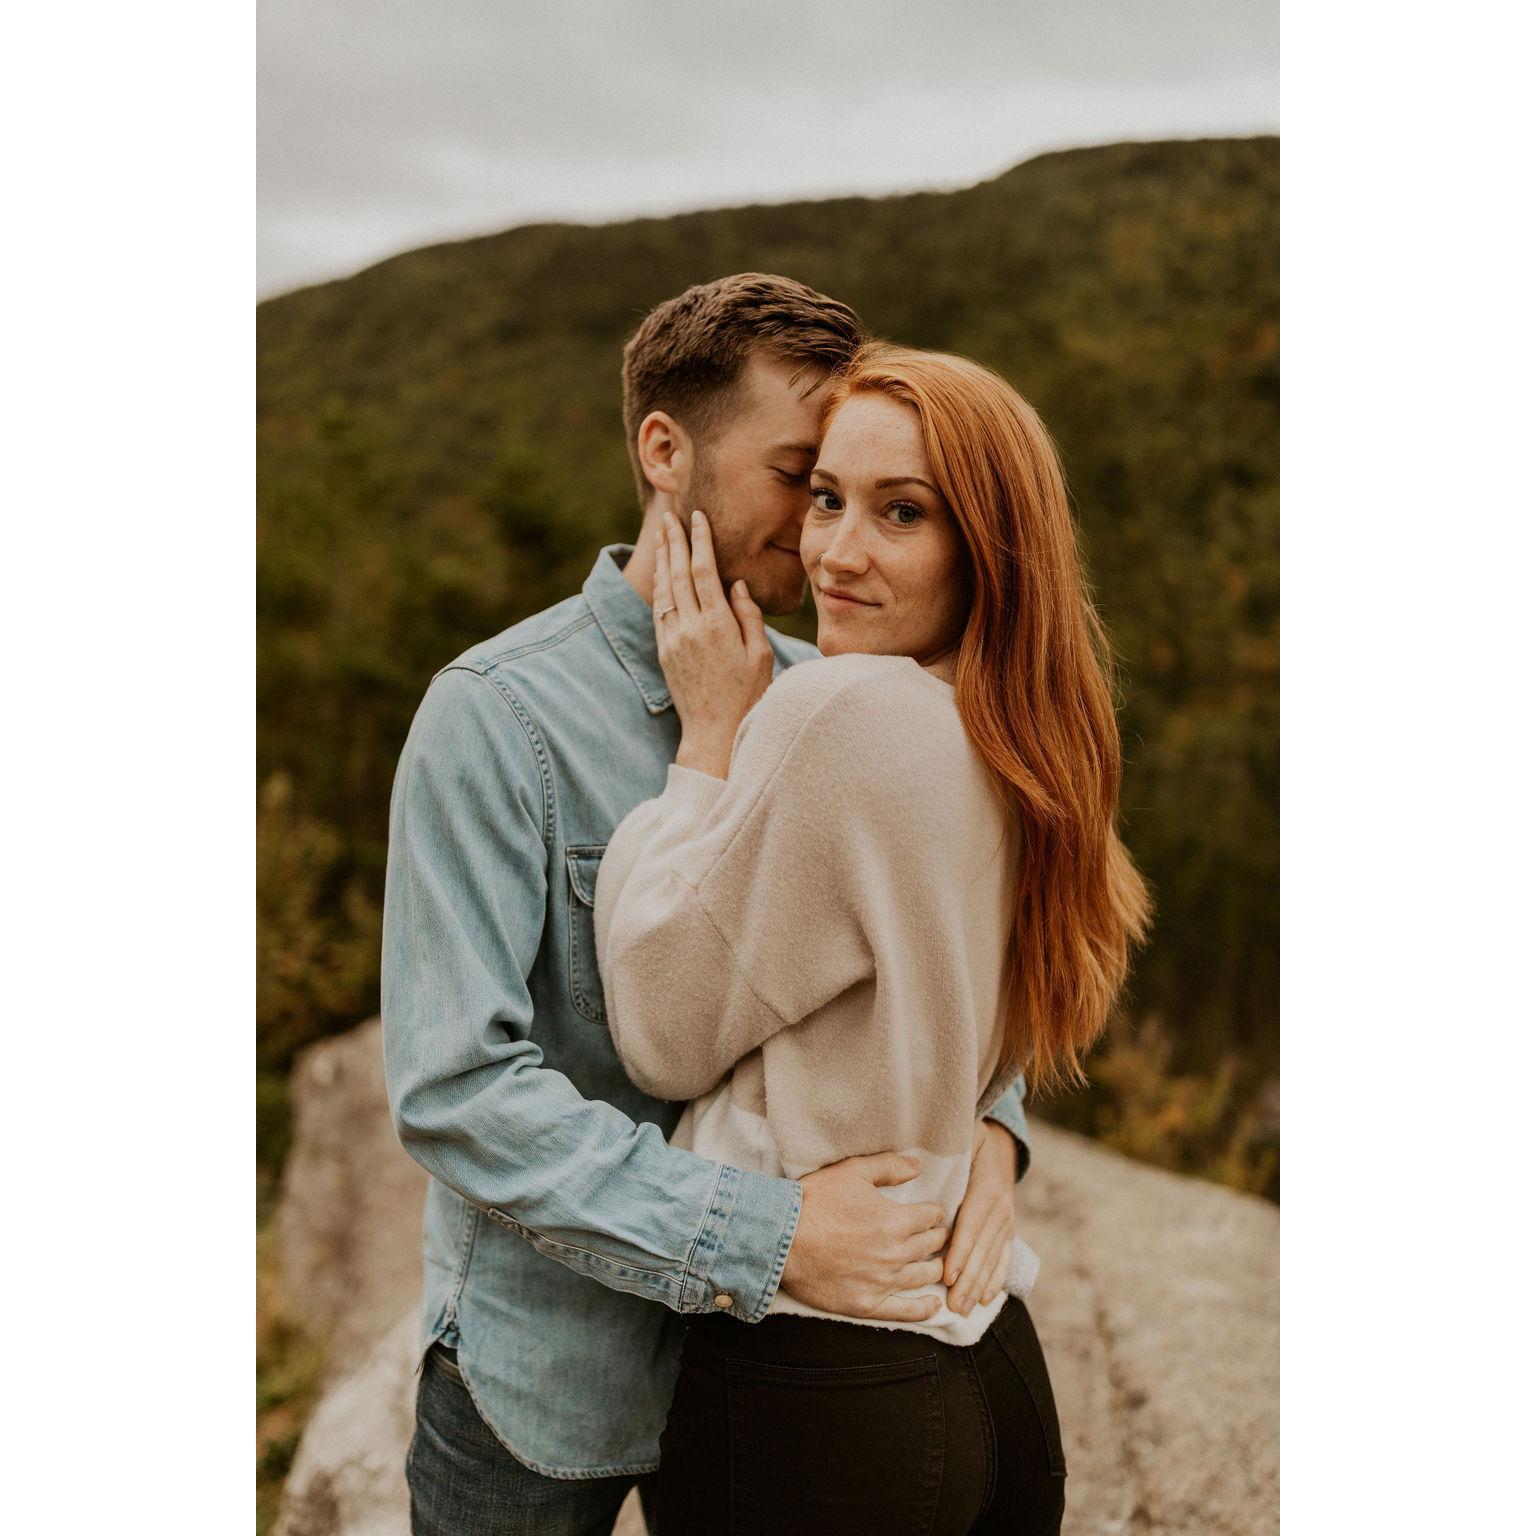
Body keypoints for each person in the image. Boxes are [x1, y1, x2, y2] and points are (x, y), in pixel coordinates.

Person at [381, 277, 1037, 1536]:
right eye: (803, 476)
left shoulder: (835, 682)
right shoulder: (495, 715)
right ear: (665, 451)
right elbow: (452, 1087)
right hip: (551, 1379)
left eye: (855, 487)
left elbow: (940, 942)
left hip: (778, 1378)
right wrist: (769, 1231)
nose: (828, 532)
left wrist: (997, 1132)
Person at [594, 343, 1154, 1534]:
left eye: (902, 513)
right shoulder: (1028, 739)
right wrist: (996, 1145)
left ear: (986, 546)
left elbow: (661, 1024)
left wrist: (708, 739)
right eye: (827, 497)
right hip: (988, 1368)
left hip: (816, 1393)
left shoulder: (838, 709)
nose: (834, 552)